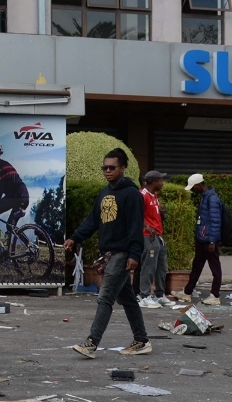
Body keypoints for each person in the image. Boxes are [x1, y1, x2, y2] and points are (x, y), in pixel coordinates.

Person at [65, 148, 151, 358]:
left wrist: (134, 254)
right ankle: (142, 340)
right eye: (104, 167)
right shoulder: (105, 193)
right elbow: (93, 220)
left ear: (123, 168)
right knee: (128, 299)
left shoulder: (132, 194)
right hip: (109, 253)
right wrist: (75, 237)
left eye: (112, 167)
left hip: (122, 254)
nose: (107, 171)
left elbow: (135, 227)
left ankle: (92, 342)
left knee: (105, 298)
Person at [183, 174, 223, 306]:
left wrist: (212, 241)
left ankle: (215, 295)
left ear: (199, 185)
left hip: (208, 240)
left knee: (215, 268)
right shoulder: (205, 197)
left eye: (193, 187)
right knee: (197, 266)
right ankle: (187, 292)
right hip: (203, 239)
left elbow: (215, 221)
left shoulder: (212, 199)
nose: (193, 190)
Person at [138, 171, 173, 309]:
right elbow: (136, 215)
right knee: (148, 267)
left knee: (161, 267)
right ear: (154, 182)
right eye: (160, 180)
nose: (162, 183)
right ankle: (145, 296)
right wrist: (147, 227)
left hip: (158, 236)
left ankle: (159, 295)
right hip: (148, 236)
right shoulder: (142, 196)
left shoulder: (154, 195)